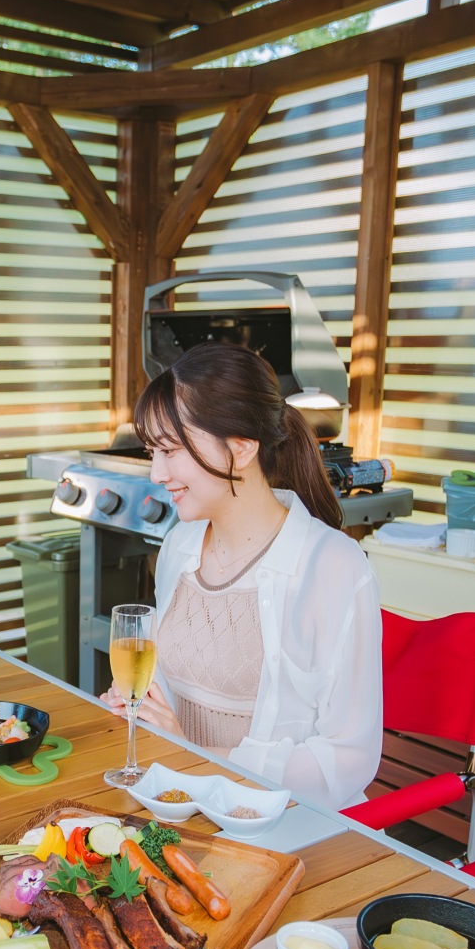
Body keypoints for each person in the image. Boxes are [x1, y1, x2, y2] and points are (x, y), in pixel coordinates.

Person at [100, 343, 383, 810]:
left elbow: (347, 761)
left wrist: (195, 757)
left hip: (285, 826)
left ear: (242, 446)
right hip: (179, 800)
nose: (156, 472)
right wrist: (144, 707)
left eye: (171, 450)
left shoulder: (334, 567)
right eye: (153, 451)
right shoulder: (180, 546)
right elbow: (178, 689)